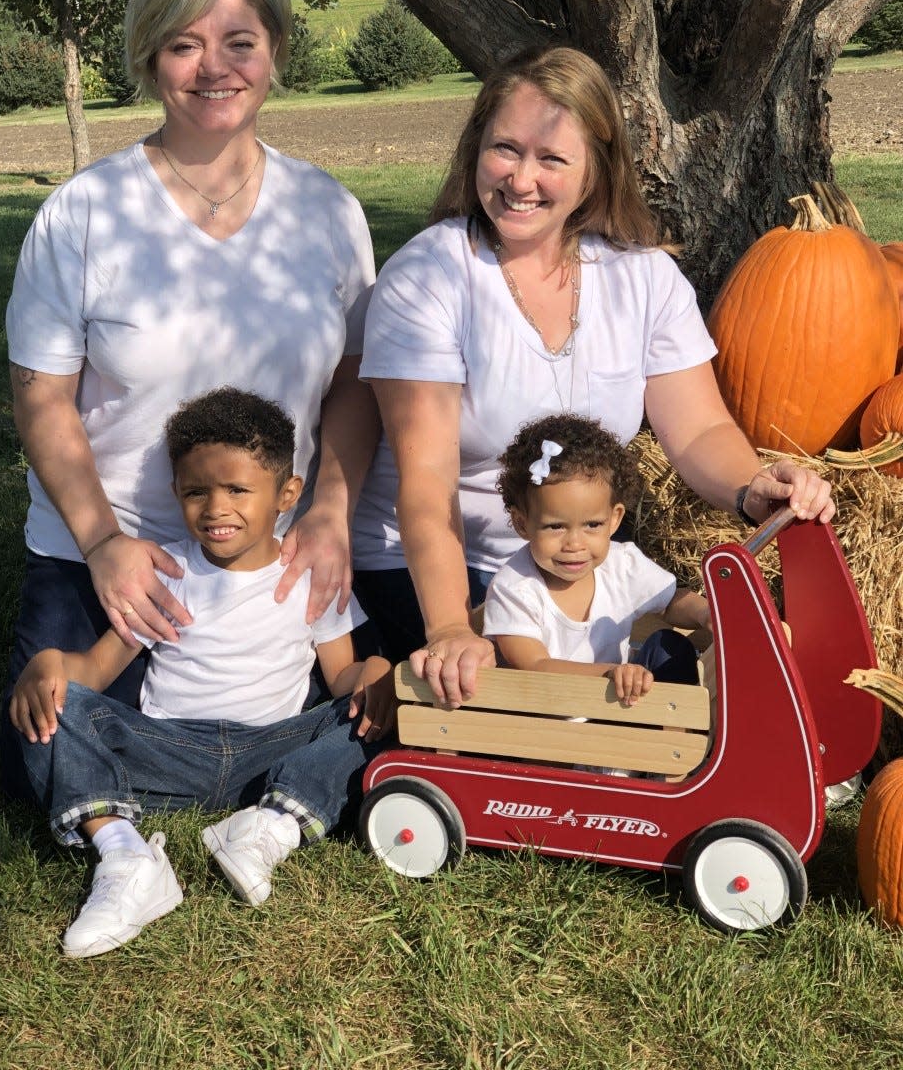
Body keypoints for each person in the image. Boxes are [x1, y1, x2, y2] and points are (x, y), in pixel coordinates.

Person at [2, 0, 379, 790]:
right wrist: (101, 543)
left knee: (373, 732)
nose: (215, 67)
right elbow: (43, 398)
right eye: (184, 44)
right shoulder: (85, 213)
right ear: (150, 60)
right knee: (40, 756)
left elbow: (356, 378)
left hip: (268, 549)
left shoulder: (325, 210)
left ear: (274, 52)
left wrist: (325, 513)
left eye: (239, 42)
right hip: (119, 548)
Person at [350, 45, 833, 706]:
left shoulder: (643, 278)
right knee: (535, 703)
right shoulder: (429, 276)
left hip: (574, 560)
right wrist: (453, 628)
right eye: (505, 150)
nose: (521, 180)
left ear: (595, 174)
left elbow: (697, 432)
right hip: (437, 567)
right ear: (475, 151)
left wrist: (756, 489)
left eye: (551, 159)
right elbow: (427, 481)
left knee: (663, 674)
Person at [9, 388, 394, 959]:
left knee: (374, 719)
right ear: (176, 493)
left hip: (273, 751)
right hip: (170, 751)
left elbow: (342, 678)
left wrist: (378, 670)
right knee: (53, 712)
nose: (216, 509)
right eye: (196, 492)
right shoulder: (164, 570)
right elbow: (93, 669)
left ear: (287, 493)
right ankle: (125, 856)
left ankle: (271, 826)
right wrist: (49, 663)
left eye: (238, 489)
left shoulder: (310, 574)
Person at [484, 413, 710, 704]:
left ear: (614, 519)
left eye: (592, 525)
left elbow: (671, 602)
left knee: (668, 646)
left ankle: (677, 735)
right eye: (556, 526)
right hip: (548, 721)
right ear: (522, 523)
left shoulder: (622, 563)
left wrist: (706, 614)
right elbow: (534, 666)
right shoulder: (514, 587)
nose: (575, 544)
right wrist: (609, 673)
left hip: (618, 708)